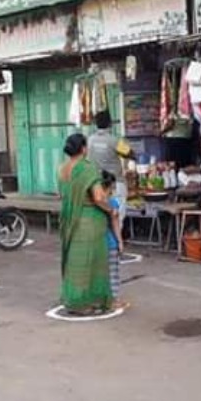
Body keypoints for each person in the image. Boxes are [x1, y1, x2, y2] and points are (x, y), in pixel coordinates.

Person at [59, 134, 115, 315]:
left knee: (75, 262)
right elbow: (98, 197)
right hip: (89, 221)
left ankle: (74, 301)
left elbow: (61, 194)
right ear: (83, 149)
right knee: (93, 262)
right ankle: (91, 302)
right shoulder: (87, 168)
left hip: (69, 220)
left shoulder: (62, 168)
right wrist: (110, 210)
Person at [87, 111, 133, 223]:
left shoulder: (90, 140)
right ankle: (117, 239)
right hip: (115, 184)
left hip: (97, 183)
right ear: (110, 123)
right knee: (117, 214)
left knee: (102, 214)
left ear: (95, 123)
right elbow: (131, 153)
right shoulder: (114, 140)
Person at [102, 171, 129, 310]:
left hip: (96, 244)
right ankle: (114, 300)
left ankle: (101, 299)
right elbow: (115, 224)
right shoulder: (112, 203)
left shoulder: (94, 204)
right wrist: (120, 241)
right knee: (113, 273)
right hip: (110, 243)